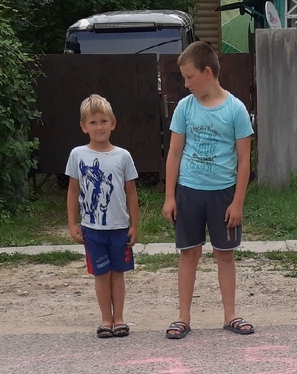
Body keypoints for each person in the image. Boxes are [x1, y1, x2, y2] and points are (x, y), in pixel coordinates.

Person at [162, 41, 255, 339]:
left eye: (189, 77)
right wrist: (169, 196)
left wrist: (237, 202)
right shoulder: (185, 108)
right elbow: (174, 153)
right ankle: (183, 318)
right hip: (189, 192)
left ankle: (230, 315)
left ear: (207, 72)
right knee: (188, 253)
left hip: (223, 195)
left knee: (224, 255)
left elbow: (244, 160)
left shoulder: (236, 110)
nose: (186, 84)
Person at [66, 94, 140, 338]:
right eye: (94, 122)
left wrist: (134, 226)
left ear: (113, 123)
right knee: (101, 274)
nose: (99, 127)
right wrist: (72, 223)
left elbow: (131, 192)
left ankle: (119, 318)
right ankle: (105, 320)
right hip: (92, 229)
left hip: (119, 228)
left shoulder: (123, 156)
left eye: (104, 121)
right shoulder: (78, 155)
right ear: (83, 126)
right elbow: (73, 190)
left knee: (117, 274)